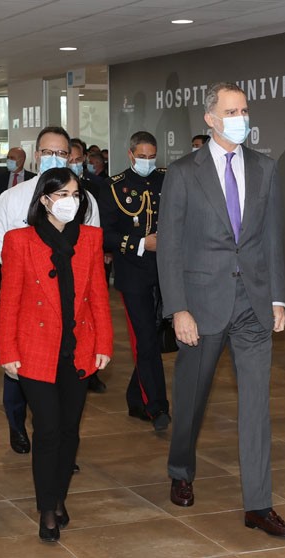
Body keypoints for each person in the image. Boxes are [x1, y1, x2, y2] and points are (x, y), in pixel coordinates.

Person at [158, 82, 285, 537]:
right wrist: (178, 308)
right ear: (210, 119)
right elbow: (170, 246)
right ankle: (181, 469)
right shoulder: (183, 172)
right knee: (191, 399)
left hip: (253, 304)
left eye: (245, 110)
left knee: (256, 407)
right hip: (201, 306)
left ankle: (259, 504)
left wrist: (277, 298)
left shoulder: (265, 168)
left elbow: (272, 237)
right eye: (232, 111)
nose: (241, 118)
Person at [0, 167, 113, 542]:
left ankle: (59, 496)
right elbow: (9, 301)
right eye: (62, 194)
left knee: (69, 431)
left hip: (78, 350)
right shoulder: (19, 241)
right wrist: (7, 350)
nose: (70, 201)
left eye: (76, 195)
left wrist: (104, 344)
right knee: (47, 430)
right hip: (35, 350)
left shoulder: (91, 239)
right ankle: (47, 508)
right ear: (45, 200)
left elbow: (98, 296)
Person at [0, 126, 102, 454]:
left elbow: (89, 255)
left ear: (70, 156)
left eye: (62, 153)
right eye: (48, 152)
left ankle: (57, 450)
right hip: (29, 303)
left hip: (68, 309)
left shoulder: (85, 200)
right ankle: (17, 427)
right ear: (37, 154)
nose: (55, 157)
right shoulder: (13, 197)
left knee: (61, 406)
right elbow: (1, 245)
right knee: (19, 379)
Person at [100, 131, 170, 430]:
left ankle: (136, 398)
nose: (147, 161)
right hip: (133, 274)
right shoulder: (114, 186)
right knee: (145, 339)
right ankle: (157, 407)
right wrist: (141, 243)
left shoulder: (167, 179)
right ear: (130, 155)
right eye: (141, 156)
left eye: (151, 156)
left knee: (154, 338)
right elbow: (105, 234)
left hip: (166, 273)